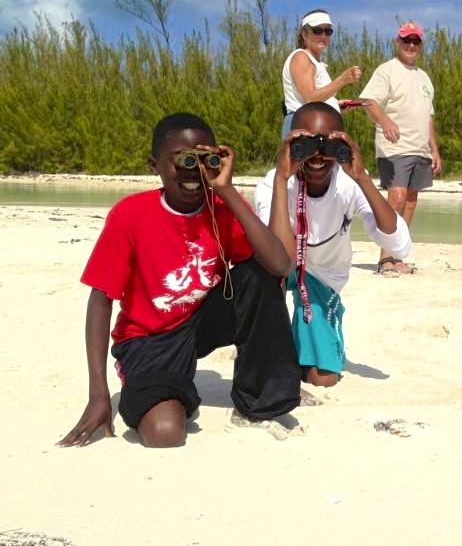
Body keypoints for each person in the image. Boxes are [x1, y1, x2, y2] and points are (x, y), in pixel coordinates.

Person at [57, 113, 301, 448]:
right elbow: (100, 300)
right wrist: (98, 394)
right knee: (165, 434)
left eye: (202, 159)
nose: (192, 171)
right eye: (182, 160)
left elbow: (279, 265)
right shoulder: (130, 215)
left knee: (259, 275)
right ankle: (157, 382)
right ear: (154, 166)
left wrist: (226, 189)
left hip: (200, 323)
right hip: (150, 338)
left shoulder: (222, 206)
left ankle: (259, 403)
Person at [254, 102, 411, 387]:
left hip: (321, 276)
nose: (317, 155)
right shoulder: (273, 184)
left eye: (328, 145)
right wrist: (281, 177)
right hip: (282, 267)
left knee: (322, 378)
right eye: (306, 144)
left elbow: (400, 247)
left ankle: (301, 340)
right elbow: (280, 262)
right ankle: (268, 344)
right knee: (255, 272)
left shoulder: (349, 183)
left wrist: (362, 177)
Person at [359, 21, 441, 276]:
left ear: (421, 45)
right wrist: (385, 121)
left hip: (420, 149)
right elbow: (367, 100)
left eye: (416, 41)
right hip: (395, 147)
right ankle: (385, 258)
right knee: (396, 198)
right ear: (398, 42)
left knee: (411, 201)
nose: (411, 45)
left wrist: (434, 149)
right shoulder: (387, 70)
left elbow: (428, 116)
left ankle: (398, 255)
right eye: (406, 39)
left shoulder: (424, 78)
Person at [281, 9, 362, 138]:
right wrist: (342, 80)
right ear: (304, 34)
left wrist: (335, 105)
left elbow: (312, 99)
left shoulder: (315, 62)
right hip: (304, 126)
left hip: (317, 125)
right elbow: (310, 99)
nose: (323, 36)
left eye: (328, 31)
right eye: (317, 30)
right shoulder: (301, 57)